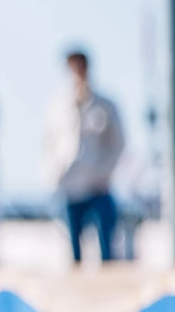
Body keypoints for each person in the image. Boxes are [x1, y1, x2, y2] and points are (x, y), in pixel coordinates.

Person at [44, 49, 124, 262]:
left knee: (107, 250)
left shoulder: (105, 105)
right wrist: (54, 173)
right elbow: (49, 143)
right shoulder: (58, 106)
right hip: (69, 187)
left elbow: (118, 144)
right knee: (73, 252)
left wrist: (104, 174)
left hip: (98, 186)